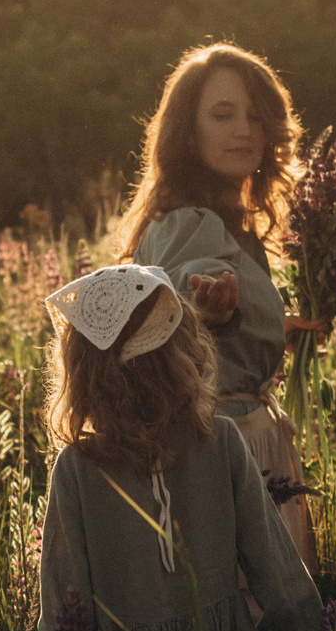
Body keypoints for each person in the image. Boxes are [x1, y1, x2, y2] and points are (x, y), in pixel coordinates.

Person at [28, 263, 334, 631]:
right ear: (182, 354)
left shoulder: (80, 468)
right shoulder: (217, 441)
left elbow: (65, 612)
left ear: (83, 374)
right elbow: (278, 571)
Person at [114, 42, 321, 570]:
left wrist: (272, 326)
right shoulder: (189, 221)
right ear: (188, 131)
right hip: (222, 451)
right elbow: (185, 288)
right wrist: (216, 306)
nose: (245, 130)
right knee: (254, 620)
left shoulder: (224, 220)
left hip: (235, 444)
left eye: (256, 116)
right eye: (223, 115)